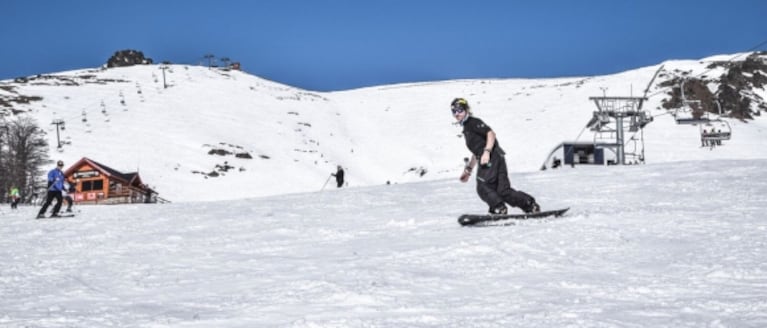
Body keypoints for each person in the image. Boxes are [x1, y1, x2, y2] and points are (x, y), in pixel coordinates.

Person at [451, 98, 540, 214]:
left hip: (491, 157)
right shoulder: (467, 127)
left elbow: (490, 133)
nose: (457, 113)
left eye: (460, 110)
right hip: (497, 156)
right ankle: (530, 205)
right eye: (454, 111)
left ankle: (498, 207)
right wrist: (468, 170)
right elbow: (476, 151)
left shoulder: (473, 122)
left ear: (466, 109)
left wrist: (487, 152)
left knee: (483, 186)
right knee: (503, 190)